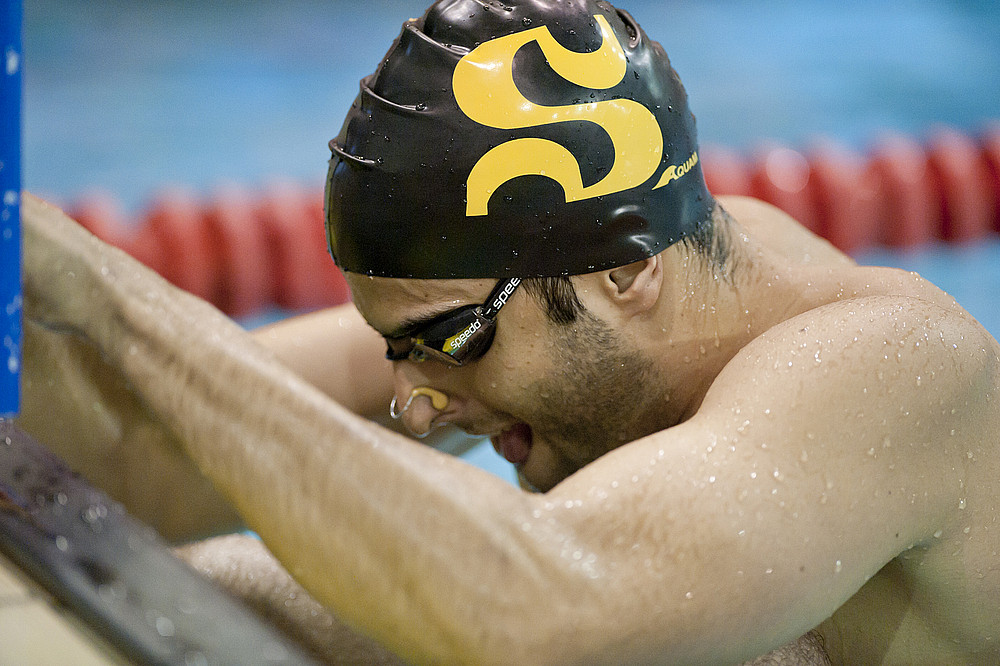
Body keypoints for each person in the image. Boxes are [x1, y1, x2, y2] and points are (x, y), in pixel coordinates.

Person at [15, 0, 1000, 663]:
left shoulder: (892, 366)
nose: (410, 400)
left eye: (445, 338)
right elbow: (136, 459)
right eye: (397, 347)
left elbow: (544, 605)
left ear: (623, 270)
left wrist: (117, 297)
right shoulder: (602, 298)